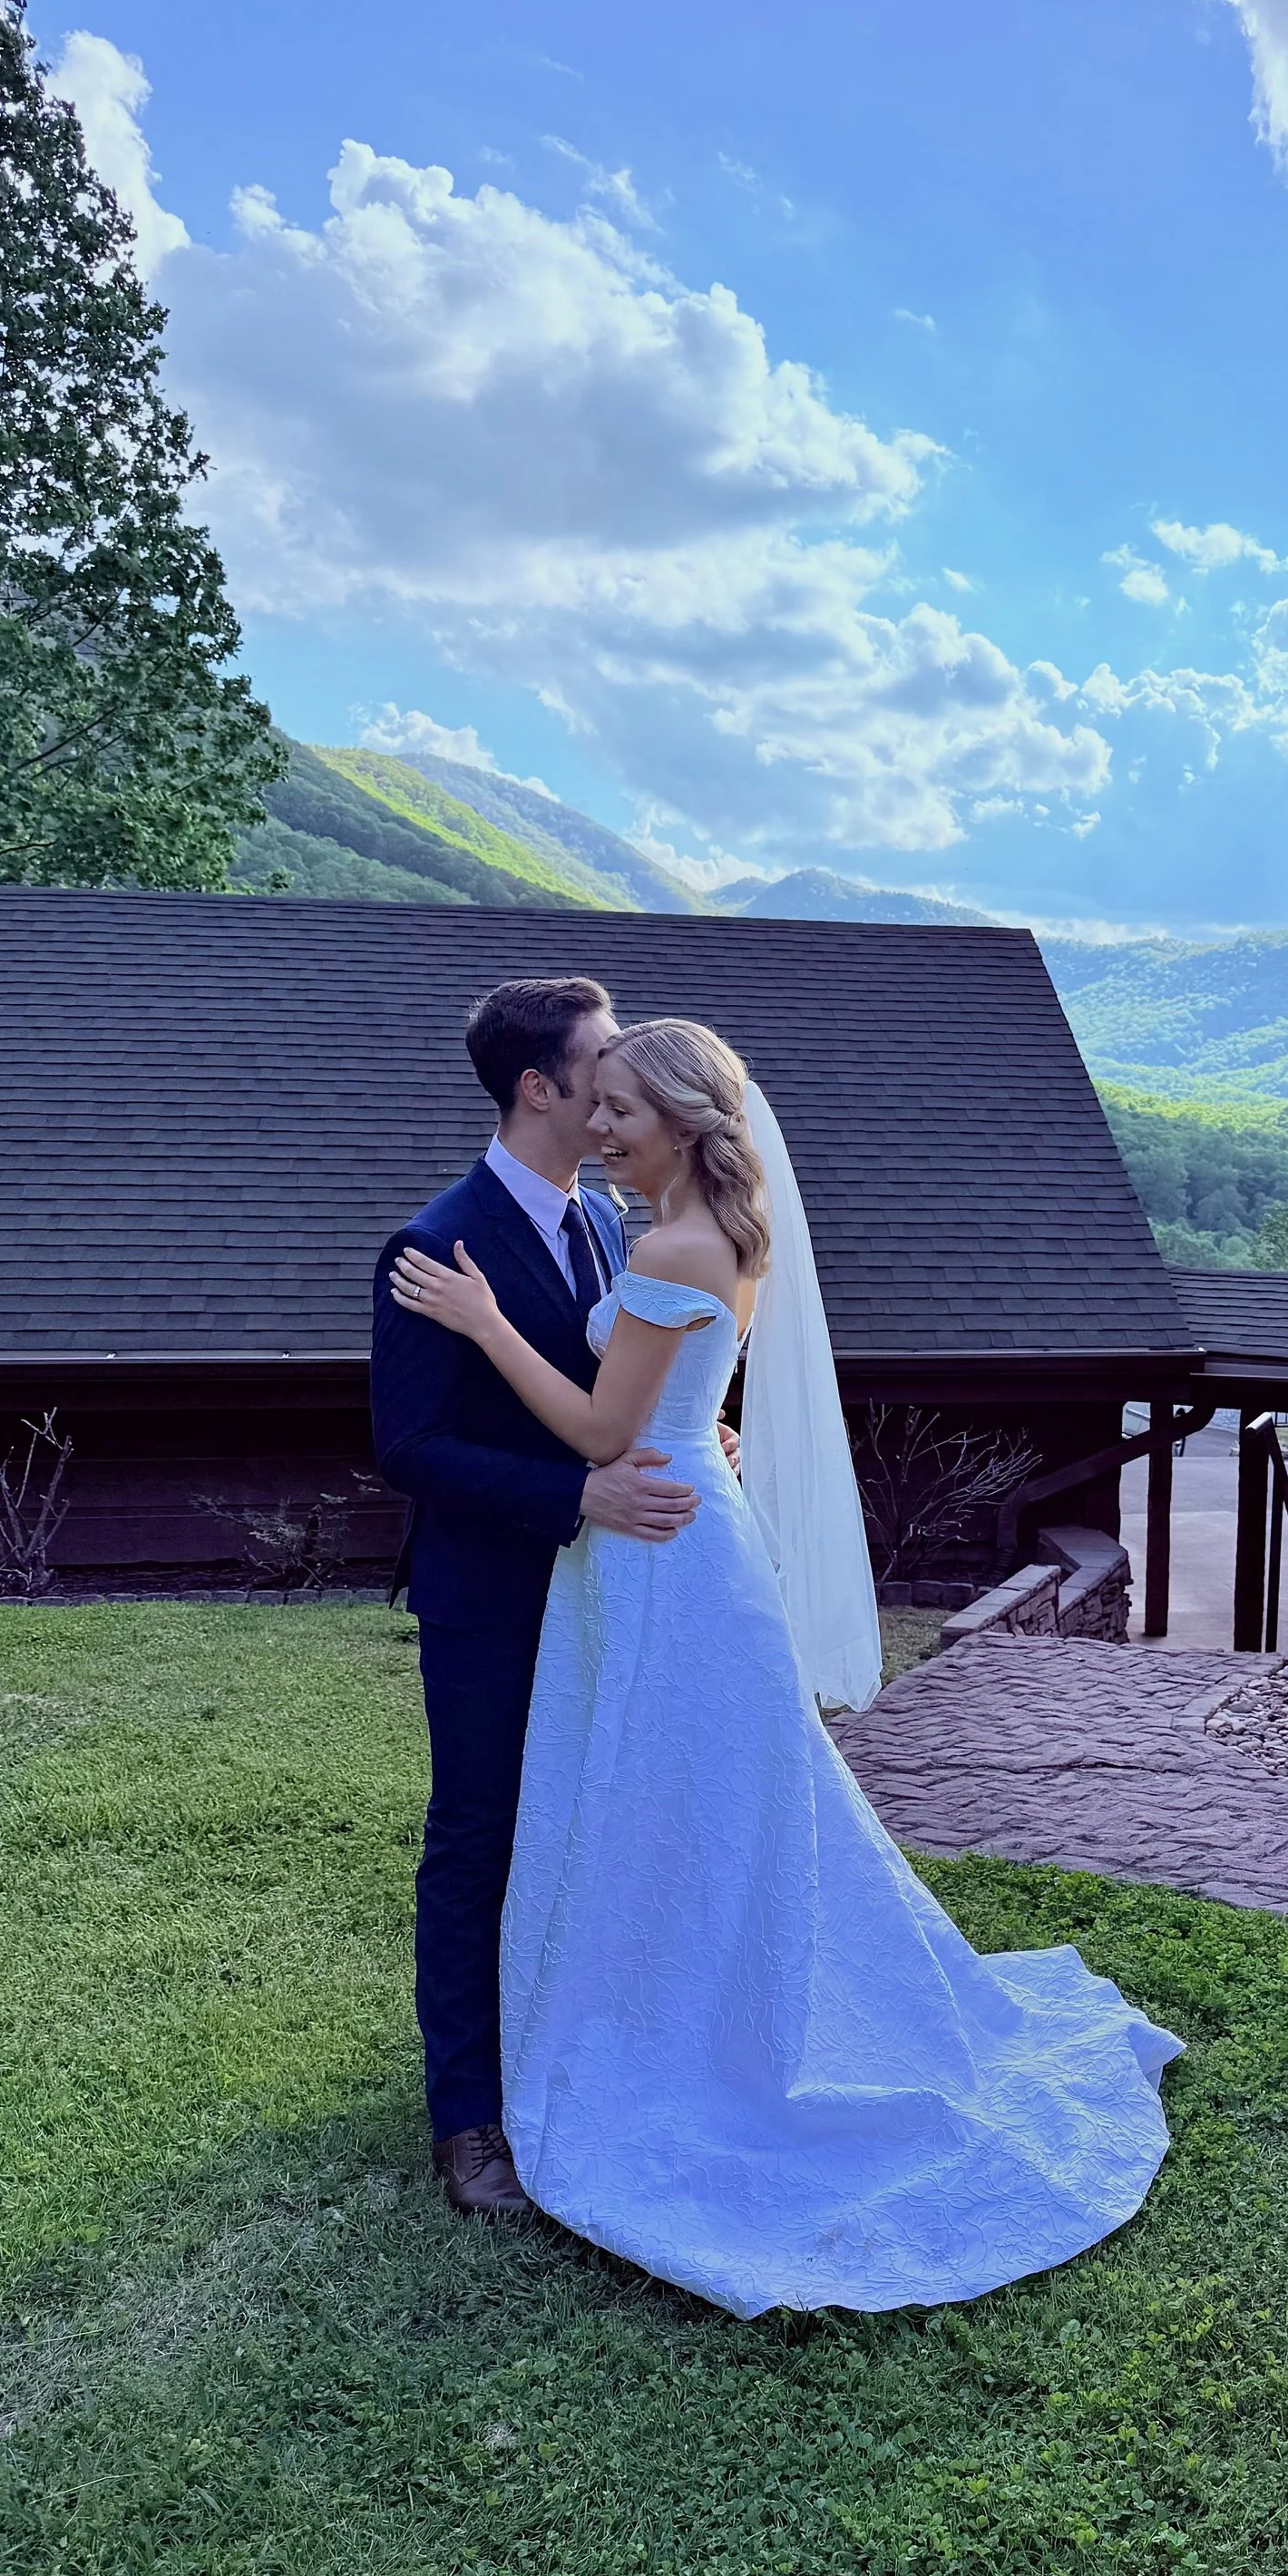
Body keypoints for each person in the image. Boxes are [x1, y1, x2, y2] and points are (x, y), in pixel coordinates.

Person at [388, 1015, 1179, 2316]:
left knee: (667, 1789)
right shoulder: (713, 1235)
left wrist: (486, 1321)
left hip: (657, 1549)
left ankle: (684, 2034)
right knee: (691, 1791)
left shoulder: (666, 1243)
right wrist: (700, 1431)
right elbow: (672, 1393)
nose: (602, 1127)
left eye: (626, 1112)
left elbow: (599, 1421)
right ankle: (667, 2009)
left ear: (690, 1125)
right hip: (680, 1522)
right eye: (596, 1103)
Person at [371, 977, 704, 2218]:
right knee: (478, 1836)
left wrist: (686, 1434)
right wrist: (575, 1496)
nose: (623, 1081)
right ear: (539, 1087)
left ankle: (568, 2045)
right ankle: (466, 2121)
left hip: (609, 1594)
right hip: (490, 1590)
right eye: (604, 1060)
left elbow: (632, 1380)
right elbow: (408, 1445)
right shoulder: (433, 1242)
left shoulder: (614, 1229)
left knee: (582, 1820)